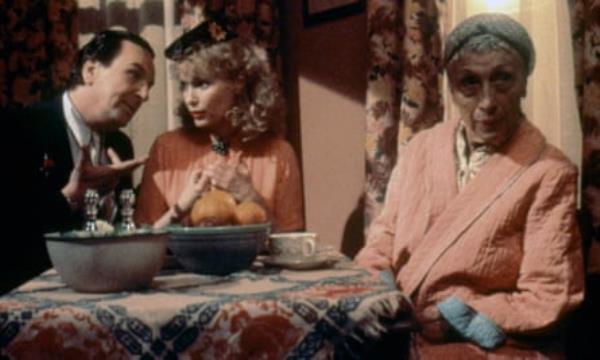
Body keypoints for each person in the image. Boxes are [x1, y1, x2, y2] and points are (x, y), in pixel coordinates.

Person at [355, 13, 584, 358]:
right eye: (470, 83)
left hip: (490, 342)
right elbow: (382, 240)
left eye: (503, 79)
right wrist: (381, 289)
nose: (488, 102)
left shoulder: (550, 172)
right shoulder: (419, 149)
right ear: (451, 87)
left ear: (524, 81)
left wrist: (458, 317)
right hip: (402, 328)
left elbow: (549, 295)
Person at [2, 29, 155, 293]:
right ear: (90, 70)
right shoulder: (15, 129)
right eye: (134, 74)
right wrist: (69, 198)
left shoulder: (120, 146)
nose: (145, 94)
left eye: (149, 86)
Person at [134, 13, 303, 232]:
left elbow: (292, 241)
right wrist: (182, 207)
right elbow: (142, 239)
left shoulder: (278, 154)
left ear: (238, 82)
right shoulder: (166, 148)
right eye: (184, 86)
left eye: (202, 84)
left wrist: (251, 197)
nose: (190, 99)